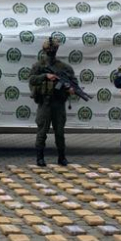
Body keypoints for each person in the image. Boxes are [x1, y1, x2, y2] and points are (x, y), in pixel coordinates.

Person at [28, 37, 76, 167]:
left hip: (59, 104)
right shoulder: (39, 66)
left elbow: (73, 83)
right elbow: (32, 79)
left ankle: (62, 157)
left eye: (53, 49)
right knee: (42, 131)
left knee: (59, 132)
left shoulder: (64, 67)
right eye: (49, 49)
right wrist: (45, 76)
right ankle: (40, 158)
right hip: (45, 103)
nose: (51, 51)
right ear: (44, 50)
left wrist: (72, 89)